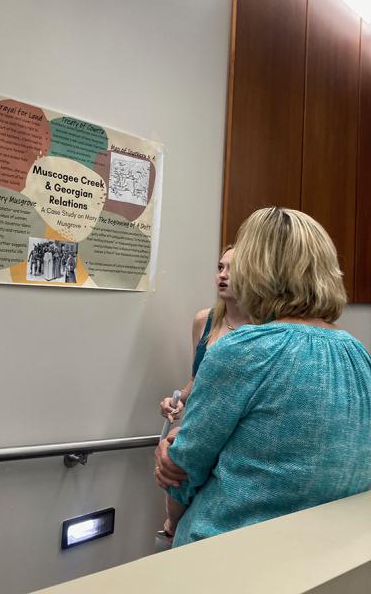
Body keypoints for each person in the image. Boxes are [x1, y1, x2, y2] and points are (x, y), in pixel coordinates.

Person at [155, 207, 371, 547]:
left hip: (228, 551)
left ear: (258, 270)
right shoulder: (357, 353)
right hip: (327, 551)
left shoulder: (242, 349)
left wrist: (170, 524)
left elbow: (182, 471)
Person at [159, 246, 249, 423]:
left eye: (234, 269)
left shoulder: (267, 327)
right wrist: (177, 401)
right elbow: (197, 379)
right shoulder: (204, 320)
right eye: (220, 268)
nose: (222, 275)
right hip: (198, 425)